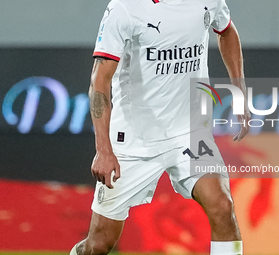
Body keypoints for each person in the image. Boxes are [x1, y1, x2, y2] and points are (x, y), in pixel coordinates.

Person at [70, 0, 251, 254]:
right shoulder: (125, 8)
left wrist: (239, 88)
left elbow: (227, 30)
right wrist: (104, 150)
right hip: (134, 141)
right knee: (99, 244)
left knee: (222, 207)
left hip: (190, 133)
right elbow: (100, 81)